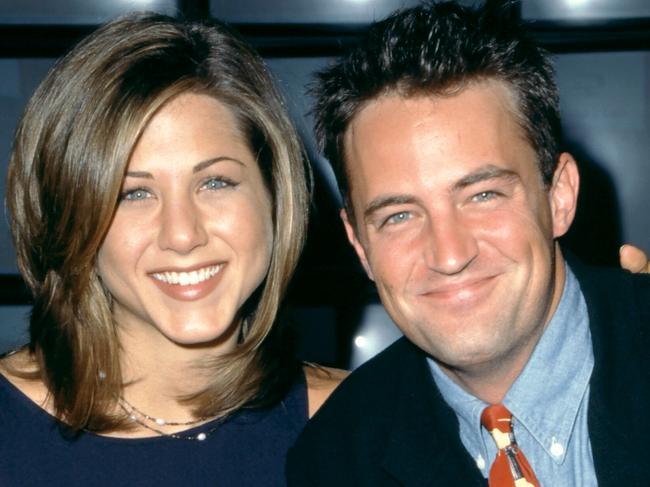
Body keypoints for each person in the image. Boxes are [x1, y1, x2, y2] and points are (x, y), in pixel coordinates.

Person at [287, 2, 650, 486]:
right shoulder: (336, 457)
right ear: (359, 244)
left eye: (483, 195)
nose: (450, 255)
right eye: (398, 216)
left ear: (559, 195)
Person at [0, 13, 344, 486]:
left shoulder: (362, 424)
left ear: (275, 198)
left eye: (215, 182)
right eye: (133, 193)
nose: (182, 235)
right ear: (70, 218)